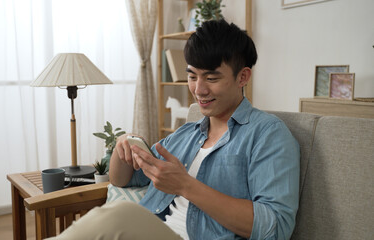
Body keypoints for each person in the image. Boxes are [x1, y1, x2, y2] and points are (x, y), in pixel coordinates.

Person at [52, 19, 300, 240]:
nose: (198, 89)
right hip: (149, 228)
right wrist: (124, 144)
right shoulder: (185, 135)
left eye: (211, 78)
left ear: (243, 77)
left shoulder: (268, 135)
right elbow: (123, 179)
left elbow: (275, 227)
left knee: (118, 216)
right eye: (192, 76)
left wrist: (185, 185)